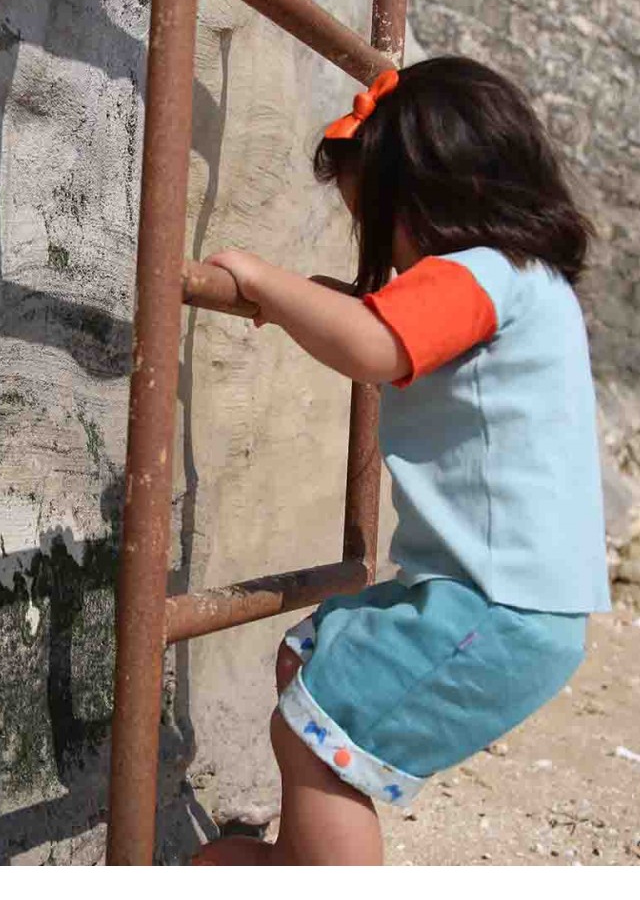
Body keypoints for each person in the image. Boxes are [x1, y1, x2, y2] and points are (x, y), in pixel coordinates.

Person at [191, 56, 611, 866]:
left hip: (491, 606)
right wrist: (319, 301)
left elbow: (376, 343)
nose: (382, 256)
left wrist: (264, 282)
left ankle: (309, 868)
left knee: (316, 734)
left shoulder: (479, 273)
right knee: (310, 654)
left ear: (433, 201)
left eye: (379, 229)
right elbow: (381, 317)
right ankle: (299, 851)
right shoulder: (529, 281)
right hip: (498, 602)